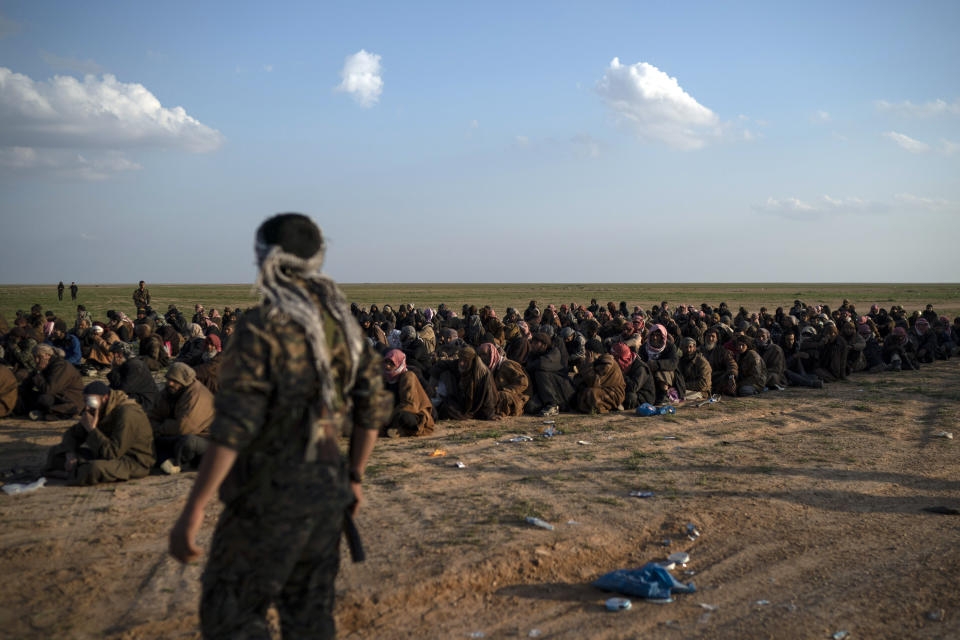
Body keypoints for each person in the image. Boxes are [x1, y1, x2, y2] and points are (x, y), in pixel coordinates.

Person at [169, 213, 392, 639]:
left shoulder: (261, 325)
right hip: (327, 495)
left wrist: (194, 507)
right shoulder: (342, 324)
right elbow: (372, 410)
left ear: (266, 261)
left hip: (267, 499)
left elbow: (235, 425)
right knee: (309, 619)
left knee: (231, 616)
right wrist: (356, 476)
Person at [44, 381, 155, 485]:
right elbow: (72, 434)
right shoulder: (97, 409)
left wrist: (92, 430)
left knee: (93, 468)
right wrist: (70, 454)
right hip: (106, 453)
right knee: (56, 452)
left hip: (133, 461)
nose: (87, 407)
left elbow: (112, 453)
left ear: (105, 398)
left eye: (91, 401)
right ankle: (72, 472)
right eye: (85, 402)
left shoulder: (127, 414)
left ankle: (70, 475)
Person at [150, 363, 214, 475]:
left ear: (184, 382)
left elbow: (184, 427)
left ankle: (179, 463)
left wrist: (160, 428)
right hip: (174, 434)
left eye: (175, 381)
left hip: (206, 439)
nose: (170, 383)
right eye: (169, 379)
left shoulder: (197, 394)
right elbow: (153, 415)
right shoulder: (169, 393)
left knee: (188, 442)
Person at [18, 344, 84, 420]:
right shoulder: (46, 365)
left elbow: (49, 390)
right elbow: (29, 383)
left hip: (69, 401)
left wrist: (38, 372)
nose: (36, 360)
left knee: (43, 399)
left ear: (48, 355)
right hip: (58, 397)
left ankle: (50, 412)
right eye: (34, 357)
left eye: (39, 357)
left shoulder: (61, 366)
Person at [382, 349, 435, 437]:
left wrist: (391, 414)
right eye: (386, 362)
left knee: (405, 417)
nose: (387, 366)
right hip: (393, 411)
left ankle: (402, 431)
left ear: (399, 364)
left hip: (413, 412)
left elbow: (410, 405)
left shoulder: (407, 376)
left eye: (391, 363)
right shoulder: (384, 377)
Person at [477, 342, 530, 417]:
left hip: (517, 397)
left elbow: (523, 383)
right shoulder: (488, 370)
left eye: (485, 354)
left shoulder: (507, 364)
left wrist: (505, 390)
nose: (483, 357)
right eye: (480, 355)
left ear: (492, 353)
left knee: (500, 396)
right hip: (499, 396)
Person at [107, 341, 160, 413]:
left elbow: (122, 389)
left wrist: (115, 369)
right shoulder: (129, 364)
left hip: (146, 402)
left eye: (117, 353)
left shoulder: (135, 366)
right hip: (139, 397)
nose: (115, 356)